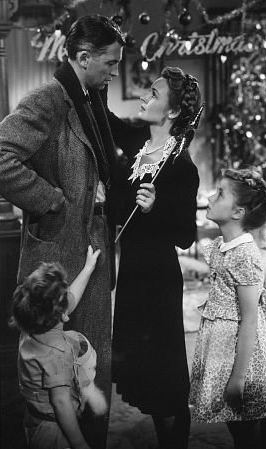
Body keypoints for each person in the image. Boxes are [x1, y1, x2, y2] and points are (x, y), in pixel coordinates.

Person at [0, 14, 152, 447]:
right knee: (63, 372)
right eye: (109, 62)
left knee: (88, 363)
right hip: (61, 253)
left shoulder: (89, 97)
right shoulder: (50, 99)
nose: (113, 70)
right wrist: (51, 201)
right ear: (83, 57)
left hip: (89, 248)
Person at [111, 66, 201, 449]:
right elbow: (104, 118)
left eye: (154, 93)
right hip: (130, 275)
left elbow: (185, 236)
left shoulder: (181, 167)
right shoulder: (135, 143)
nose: (145, 97)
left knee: (165, 384)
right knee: (143, 377)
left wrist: (155, 209)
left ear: (173, 112)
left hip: (159, 280)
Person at [190, 168, 266, 449]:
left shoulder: (245, 254)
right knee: (238, 425)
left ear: (238, 212)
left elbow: (248, 321)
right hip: (223, 348)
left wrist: (238, 376)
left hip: (243, 353)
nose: (211, 196)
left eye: (220, 193)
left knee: (249, 425)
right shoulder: (224, 245)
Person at [10, 246, 104, 449]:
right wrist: (79, 443)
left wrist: (88, 268)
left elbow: (70, 298)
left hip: (33, 418)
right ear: (63, 315)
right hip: (53, 430)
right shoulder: (56, 355)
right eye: (65, 307)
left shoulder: (30, 326)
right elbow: (61, 404)